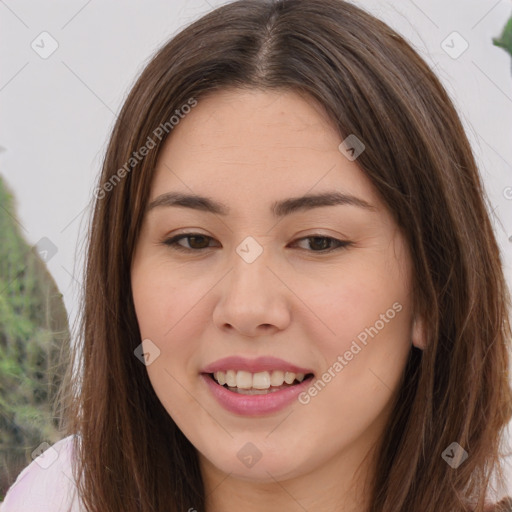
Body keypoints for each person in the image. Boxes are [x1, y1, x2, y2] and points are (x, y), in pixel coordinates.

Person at [2, 0, 512, 511]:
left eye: (318, 242)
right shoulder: (53, 497)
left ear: (432, 291)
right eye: (193, 240)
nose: (246, 309)